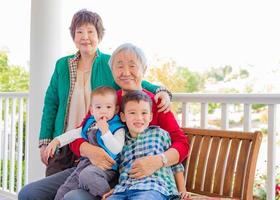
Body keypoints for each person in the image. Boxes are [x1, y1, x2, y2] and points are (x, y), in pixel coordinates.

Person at [18, 9, 171, 200]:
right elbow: (51, 103)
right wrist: (45, 141)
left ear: (99, 35)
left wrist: (160, 91)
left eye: (91, 31)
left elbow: (135, 81)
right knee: (49, 192)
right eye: (79, 32)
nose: (85, 37)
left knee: (75, 191)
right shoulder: (62, 65)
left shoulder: (109, 63)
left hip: (100, 141)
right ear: (73, 35)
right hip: (70, 138)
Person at [66, 43, 189, 200]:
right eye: (119, 66)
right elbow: (79, 133)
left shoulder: (155, 104)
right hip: (93, 169)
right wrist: (89, 150)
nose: (125, 72)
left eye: (132, 66)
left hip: (132, 181)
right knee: (32, 192)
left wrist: (158, 161)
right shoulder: (108, 100)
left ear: (143, 69)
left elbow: (181, 143)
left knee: (73, 197)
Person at [103, 90, 189, 200]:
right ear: (123, 117)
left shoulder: (160, 134)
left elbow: (176, 164)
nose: (139, 118)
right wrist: (115, 189)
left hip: (153, 187)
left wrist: (182, 190)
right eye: (132, 113)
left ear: (151, 116)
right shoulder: (120, 141)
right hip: (123, 190)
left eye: (144, 113)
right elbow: (121, 169)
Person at [45, 86, 125, 200]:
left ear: (116, 109)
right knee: (63, 191)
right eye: (98, 107)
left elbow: (117, 149)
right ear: (92, 110)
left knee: (88, 175)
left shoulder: (117, 128)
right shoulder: (90, 124)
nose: (103, 111)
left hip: (106, 168)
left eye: (108, 107)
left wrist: (106, 132)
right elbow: (74, 134)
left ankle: (110, 196)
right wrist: (57, 140)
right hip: (84, 166)